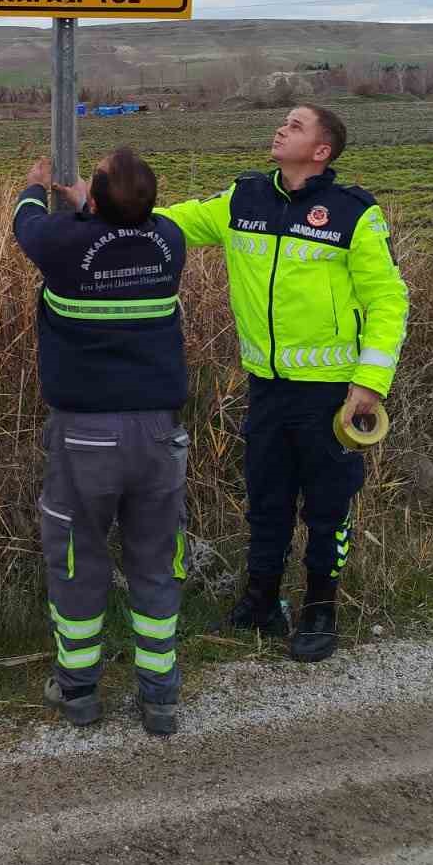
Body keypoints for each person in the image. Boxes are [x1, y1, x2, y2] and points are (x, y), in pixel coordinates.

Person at [156, 106, 408, 663]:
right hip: (265, 384)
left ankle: (321, 610)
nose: (280, 129)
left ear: (322, 151)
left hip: (330, 392)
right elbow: (174, 221)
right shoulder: (243, 198)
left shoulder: (353, 214)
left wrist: (370, 382)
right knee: (266, 499)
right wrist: (104, 207)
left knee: (327, 504)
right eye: (283, 123)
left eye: (295, 126)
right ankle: (262, 600)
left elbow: (388, 300)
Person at [13, 147, 189, 735]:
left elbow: (28, 225)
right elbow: (118, 226)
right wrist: (91, 203)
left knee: (76, 556)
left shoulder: (62, 244)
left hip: (85, 434)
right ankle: (160, 696)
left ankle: (78, 690)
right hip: (158, 433)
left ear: (96, 198)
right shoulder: (168, 241)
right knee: (156, 558)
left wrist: (37, 187)